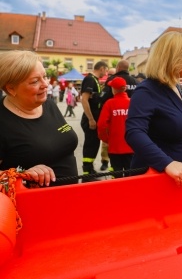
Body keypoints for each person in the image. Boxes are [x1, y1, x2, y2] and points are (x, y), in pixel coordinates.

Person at [125, 31, 182, 187]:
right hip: (159, 178)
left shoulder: (174, 87)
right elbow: (134, 133)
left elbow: (169, 120)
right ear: (174, 59)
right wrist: (167, 163)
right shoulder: (146, 91)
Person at [0, 50, 78, 186]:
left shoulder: (49, 104)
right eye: (35, 81)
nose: (46, 84)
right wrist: (22, 175)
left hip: (69, 197)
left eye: (45, 76)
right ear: (11, 89)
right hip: (31, 203)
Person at [99, 61, 137, 170]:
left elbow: (101, 124)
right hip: (132, 145)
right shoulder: (133, 102)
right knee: (131, 175)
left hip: (115, 146)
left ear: (113, 89)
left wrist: (106, 139)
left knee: (116, 174)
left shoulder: (109, 103)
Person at [80, 61, 108, 178]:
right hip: (90, 120)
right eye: (106, 70)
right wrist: (91, 119)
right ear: (101, 69)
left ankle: (90, 168)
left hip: (94, 119)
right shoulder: (90, 79)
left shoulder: (95, 80)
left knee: (94, 145)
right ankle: (87, 172)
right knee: (90, 146)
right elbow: (84, 100)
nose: (106, 73)